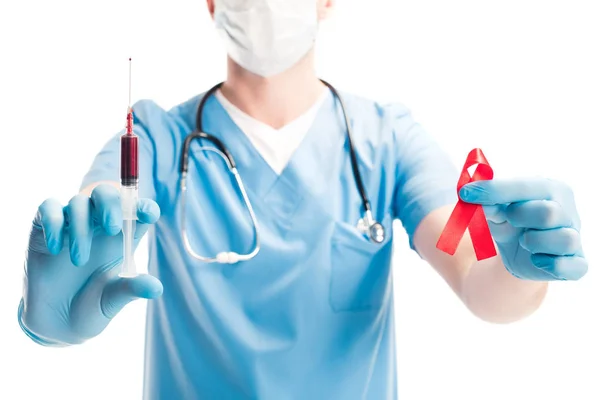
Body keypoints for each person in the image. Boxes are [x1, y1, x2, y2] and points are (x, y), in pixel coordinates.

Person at [18, 0, 588, 399]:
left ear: (326, 0)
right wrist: (53, 318)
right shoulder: (156, 138)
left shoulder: (386, 139)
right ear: (213, 4)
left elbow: (473, 273)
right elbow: (106, 205)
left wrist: (521, 270)